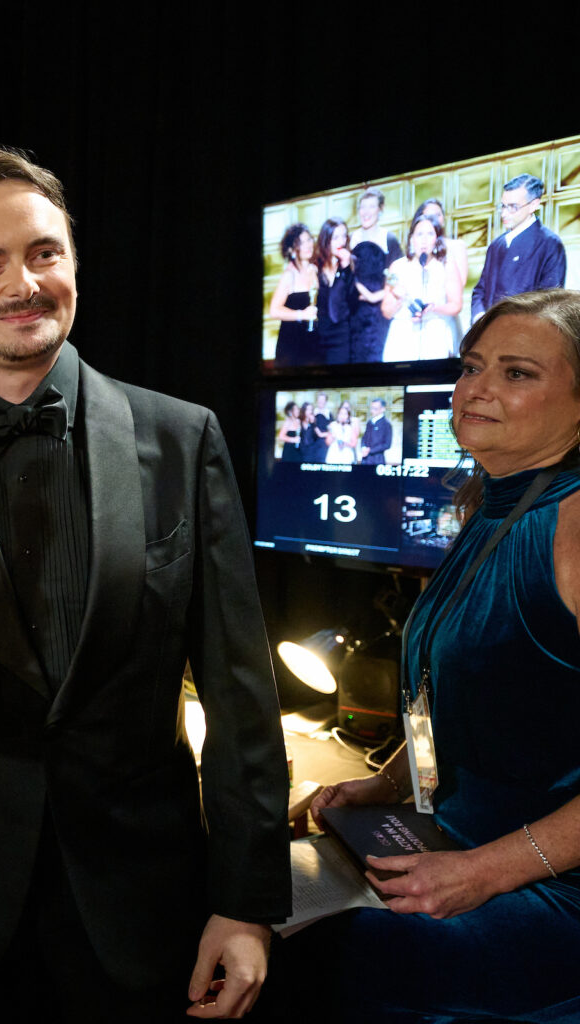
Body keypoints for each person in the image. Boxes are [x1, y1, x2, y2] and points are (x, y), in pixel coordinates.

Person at [0, 147, 289, 1022]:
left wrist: (247, 903)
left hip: (143, 909)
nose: (24, 282)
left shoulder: (183, 437)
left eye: (45, 253)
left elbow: (241, 689)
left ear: (74, 264)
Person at [269, 289, 580, 1023]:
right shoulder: (491, 504)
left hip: (547, 882)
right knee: (233, 890)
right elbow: (481, 704)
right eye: (473, 366)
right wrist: (384, 787)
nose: (477, 390)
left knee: (336, 954)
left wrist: (480, 873)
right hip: (457, 846)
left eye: (517, 373)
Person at [471, 174, 567, 322]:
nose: (504, 213)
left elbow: (550, 302)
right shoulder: (496, 245)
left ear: (533, 205)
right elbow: (480, 290)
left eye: (513, 207)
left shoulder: (549, 243)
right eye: (503, 206)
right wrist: (479, 317)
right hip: (490, 330)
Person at [382, 212, 463, 362]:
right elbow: (386, 311)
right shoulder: (397, 267)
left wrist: (433, 308)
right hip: (401, 335)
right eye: (419, 234)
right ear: (411, 238)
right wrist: (399, 300)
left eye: (430, 234)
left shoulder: (446, 265)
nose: (424, 240)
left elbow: (456, 305)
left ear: (437, 239)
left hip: (434, 333)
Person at [349, 187, 404, 362]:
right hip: (355, 309)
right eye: (362, 207)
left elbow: (397, 276)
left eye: (371, 207)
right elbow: (348, 275)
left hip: (381, 310)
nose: (366, 212)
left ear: (380, 210)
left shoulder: (389, 238)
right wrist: (366, 294)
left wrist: (376, 297)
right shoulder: (352, 238)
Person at [269, 223, 318, 367]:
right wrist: (302, 314)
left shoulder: (315, 269)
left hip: (313, 340)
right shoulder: (289, 275)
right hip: (292, 343)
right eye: (302, 243)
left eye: (309, 240)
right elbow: (274, 310)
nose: (308, 245)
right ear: (292, 249)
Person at [311, 217, 354, 364]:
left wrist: (346, 267)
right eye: (336, 237)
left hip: (341, 336)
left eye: (344, 236)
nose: (341, 241)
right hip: (317, 335)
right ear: (326, 240)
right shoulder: (315, 266)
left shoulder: (351, 265)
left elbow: (353, 298)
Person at [414, 197, 468, 300]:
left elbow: (461, 283)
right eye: (429, 216)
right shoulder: (417, 247)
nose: (435, 219)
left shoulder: (457, 245)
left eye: (438, 215)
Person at [359, 397, 392, 464]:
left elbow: (387, 444)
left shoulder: (386, 424)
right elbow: (364, 437)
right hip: (366, 459)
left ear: (383, 409)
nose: (372, 411)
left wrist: (370, 450)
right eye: (371, 408)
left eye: (375, 408)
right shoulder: (369, 422)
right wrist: (363, 447)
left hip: (377, 460)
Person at [303, 391, 333, 463]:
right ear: (317, 401)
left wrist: (323, 434)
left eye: (323, 400)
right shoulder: (312, 412)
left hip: (323, 444)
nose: (321, 402)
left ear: (326, 401)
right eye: (319, 400)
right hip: (311, 443)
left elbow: (332, 430)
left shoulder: (329, 414)